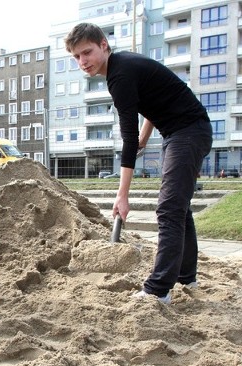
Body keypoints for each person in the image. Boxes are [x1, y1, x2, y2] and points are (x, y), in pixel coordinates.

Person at [65, 23, 213, 304]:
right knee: (179, 207)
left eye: (87, 52)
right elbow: (155, 103)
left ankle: (158, 290)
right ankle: (186, 276)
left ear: (103, 46)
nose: (83, 61)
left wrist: (122, 195)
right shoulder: (124, 66)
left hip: (188, 131)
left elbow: (128, 140)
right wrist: (146, 137)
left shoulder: (119, 76)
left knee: (169, 208)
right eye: (76, 57)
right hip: (180, 131)